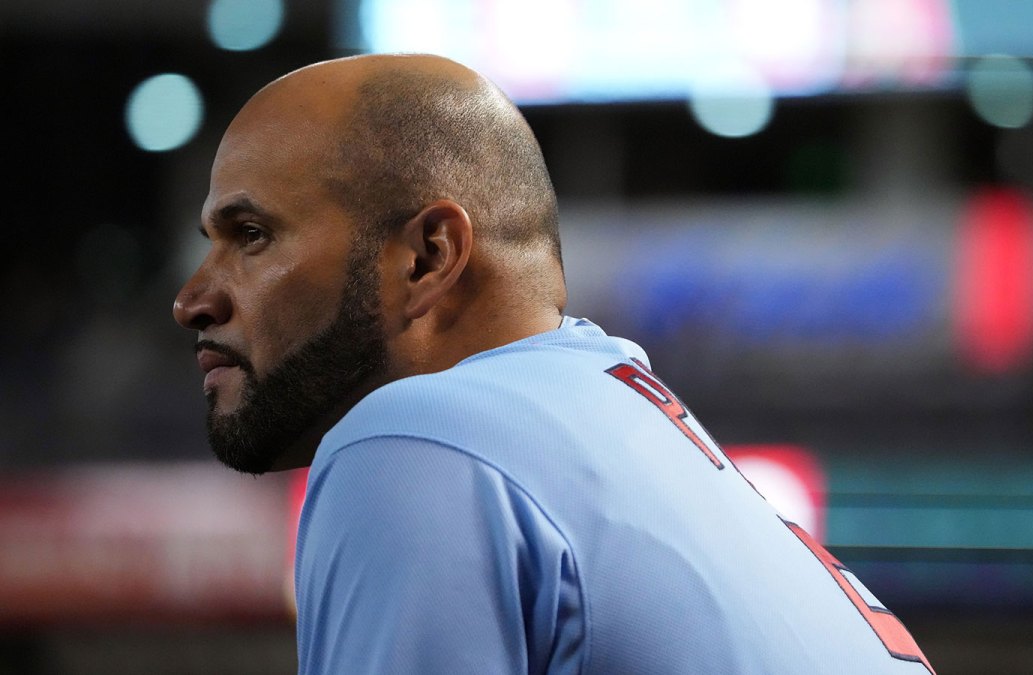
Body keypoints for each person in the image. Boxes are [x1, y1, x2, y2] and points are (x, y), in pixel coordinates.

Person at [173, 54, 935, 674]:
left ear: (426, 255)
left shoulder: (418, 439)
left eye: (251, 234)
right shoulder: (605, 411)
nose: (193, 299)